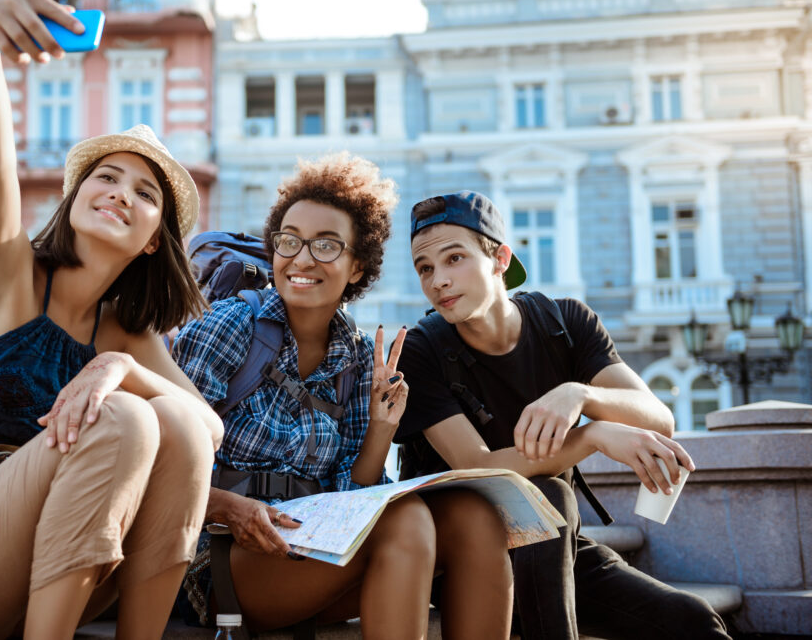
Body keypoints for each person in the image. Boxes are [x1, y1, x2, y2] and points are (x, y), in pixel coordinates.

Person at [0, 0, 222, 640]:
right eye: (105, 176)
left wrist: (117, 363)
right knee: (126, 418)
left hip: (46, 567)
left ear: (151, 239)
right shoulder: (8, 270)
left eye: (144, 193)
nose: (119, 193)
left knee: (175, 424)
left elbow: (208, 427)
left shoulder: (122, 332)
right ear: (76, 193)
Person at [172, 155, 514, 640]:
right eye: (289, 241)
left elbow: (352, 499)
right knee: (406, 520)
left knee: (475, 519)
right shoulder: (231, 325)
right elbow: (161, 467)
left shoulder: (355, 357)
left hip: (314, 546)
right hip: (221, 553)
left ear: (357, 267)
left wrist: (380, 429)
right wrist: (231, 507)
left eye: (326, 245)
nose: (302, 259)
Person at [394, 190, 732, 640]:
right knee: (549, 492)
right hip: (466, 560)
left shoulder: (565, 323)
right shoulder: (421, 350)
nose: (438, 280)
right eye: (425, 268)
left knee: (695, 621)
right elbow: (480, 467)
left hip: (555, 545)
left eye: (454, 258)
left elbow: (657, 418)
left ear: (500, 259)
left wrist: (581, 395)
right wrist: (593, 437)